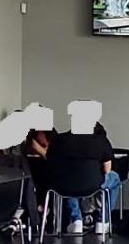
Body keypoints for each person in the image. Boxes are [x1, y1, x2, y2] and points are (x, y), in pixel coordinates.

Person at [46, 100, 121, 235]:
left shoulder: (58, 140)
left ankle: (76, 220)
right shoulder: (100, 141)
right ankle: (103, 221)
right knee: (114, 178)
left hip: (63, 185)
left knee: (69, 178)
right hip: (93, 185)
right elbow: (107, 170)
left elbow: (51, 163)